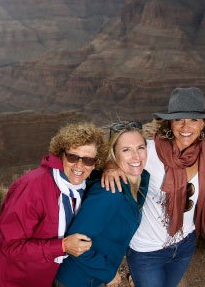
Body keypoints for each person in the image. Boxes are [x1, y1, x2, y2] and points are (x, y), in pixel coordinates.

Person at [103, 87, 205, 287]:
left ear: (203, 123)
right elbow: (123, 156)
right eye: (178, 119)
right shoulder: (150, 151)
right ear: (169, 122)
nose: (186, 126)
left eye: (193, 119)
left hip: (184, 245)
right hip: (147, 251)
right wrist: (110, 166)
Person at [0, 122, 107, 287]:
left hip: (42, 278)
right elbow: (10, 246)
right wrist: (62, 246)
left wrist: (112, 169)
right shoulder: (34, 187)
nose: (79, 165)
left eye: (88, 160)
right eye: (73, 157)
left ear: (95, 163)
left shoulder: (79, 187)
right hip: (9, 279)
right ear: (61, 154)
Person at [55, 121, 150, 287]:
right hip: (76, 280)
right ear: (113, 154)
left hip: (93, 277)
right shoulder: (110, 191)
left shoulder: (140, 181)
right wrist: (108, 273)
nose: (136, 156)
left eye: (140, 148)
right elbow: (76, 243)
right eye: (126, 150)